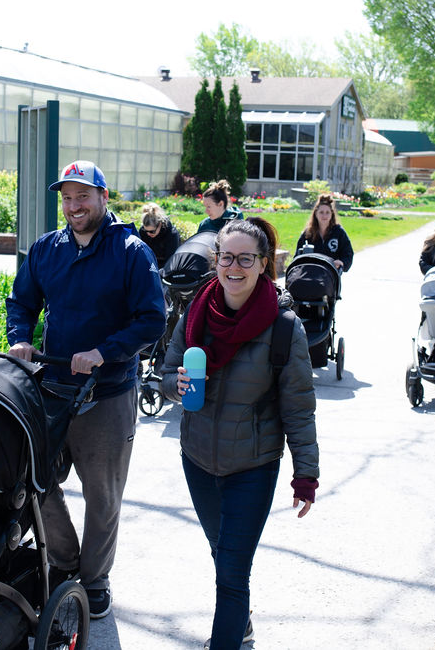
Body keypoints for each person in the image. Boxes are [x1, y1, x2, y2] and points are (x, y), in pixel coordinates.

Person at [6, 160, 166, 619]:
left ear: (102, 196)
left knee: (103, 496)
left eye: (82, 196)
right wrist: (20, 335)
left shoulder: (131, 252)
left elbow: (151, 320)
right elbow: (22, 300)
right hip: (52, 388)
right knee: (36, 481)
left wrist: (104, 351)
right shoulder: (47, 249)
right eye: (67, 198)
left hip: (107, 394)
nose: (73, 206)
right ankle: (63, 562)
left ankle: (94, 580)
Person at [160, 218, 319, 650]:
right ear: (216, 261)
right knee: (223, 555)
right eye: (226, 257)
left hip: (252, 465)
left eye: (245, 258)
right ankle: (242, 618)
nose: (234, 267)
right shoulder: (196, 312)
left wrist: (305, 475)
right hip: (197, 459)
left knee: (231, 572)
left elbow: (299, 409)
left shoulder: (284, 328)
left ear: (264, 264)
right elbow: (163, 373)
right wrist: (177, 385)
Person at [295, 193, 354, 271]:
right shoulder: (308, 234)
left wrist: (342, 262)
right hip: (310, 275)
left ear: (332, 214)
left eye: (327, 212)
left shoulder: (339, 232)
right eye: (321, 212)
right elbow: (297, 257)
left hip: (331, 275)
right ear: (315, 214)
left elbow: (348, 253)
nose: (324, 216)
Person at [139, 201, 182, 268]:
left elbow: (171, 261)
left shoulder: (171, 234)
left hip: (167, 266)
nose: (148, 233)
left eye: (152, 231)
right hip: (149, 265)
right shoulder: (143, 232)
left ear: (160, 224)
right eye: (146, 230)